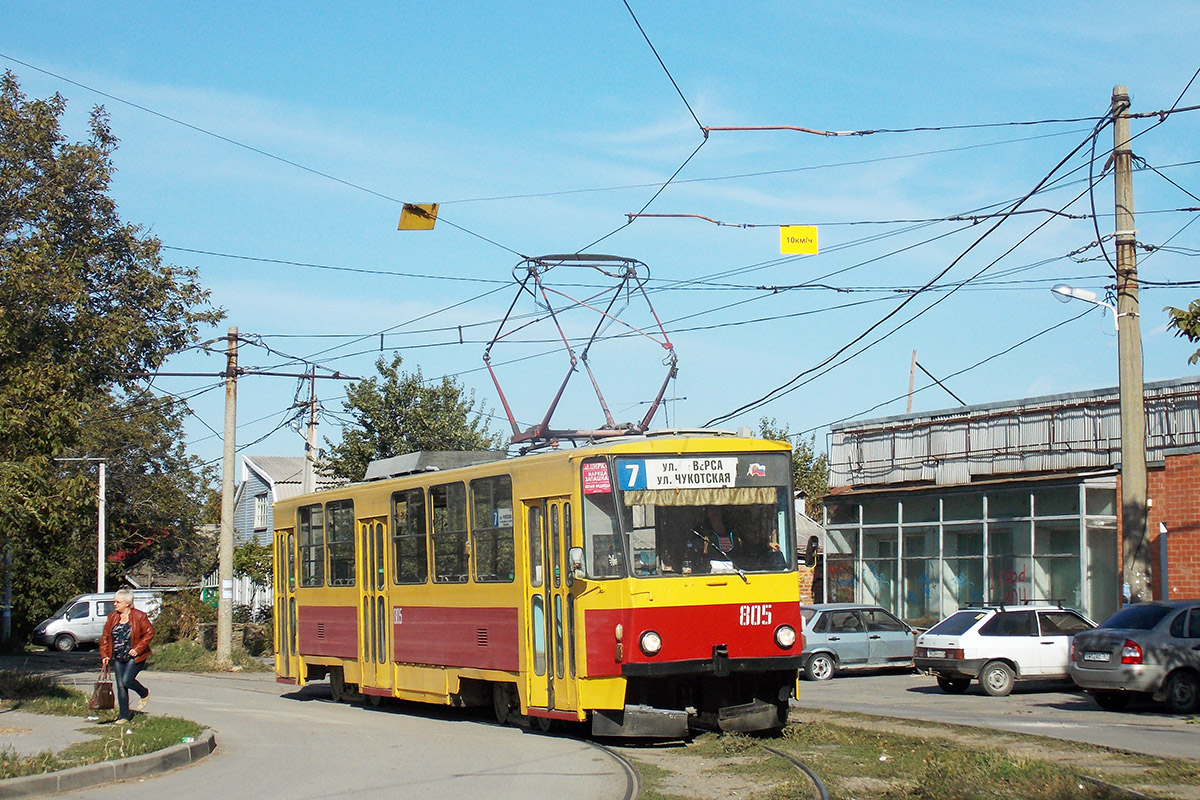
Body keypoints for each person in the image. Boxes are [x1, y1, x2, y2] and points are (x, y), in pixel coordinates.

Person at [100, 587, 154, 724]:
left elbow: (149, 633)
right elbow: (106, 637)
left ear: (127, 603)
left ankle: (144, 693)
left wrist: (137, 648)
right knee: (120, 686)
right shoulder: (112, 617)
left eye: (118, 602)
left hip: (134, 657)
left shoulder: (139, 616)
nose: (115, 604)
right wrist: (104, 655)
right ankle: (124, 716)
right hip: (117, 656)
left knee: (126, 681)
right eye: (115, 601)